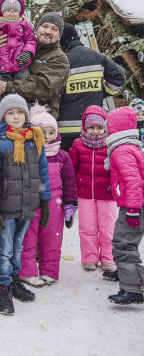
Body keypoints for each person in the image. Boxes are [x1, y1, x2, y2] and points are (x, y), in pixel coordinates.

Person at [0, 94, 50, 315]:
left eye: (19, 112)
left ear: (26, 115)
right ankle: (3, 288)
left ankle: (14, 281)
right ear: (3, 116)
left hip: (27, 204)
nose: (15, 116)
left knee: (19, 247)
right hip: (7, 207)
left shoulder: (35, 139)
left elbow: (42, 173)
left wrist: (45, 201)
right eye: (10, 113)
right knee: (4, 250)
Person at [20, 104, 77, 287]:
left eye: (50, 132)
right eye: (41, 132)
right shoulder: (27, 153)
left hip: (55, 202)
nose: (46, 137)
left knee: (52, 237)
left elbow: (69, 183)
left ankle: (49, 271)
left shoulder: (62, 156)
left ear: (56, 133)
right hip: (31, 201)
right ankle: (27, 271)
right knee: (28, 237)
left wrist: (70, 204)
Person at [0, 12, 70, 119]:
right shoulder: (20, 47)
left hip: (40, 122)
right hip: (11, 118)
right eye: (45, 26)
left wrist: (8, 87)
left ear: (59, 37)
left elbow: (43, 88)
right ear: (37, 29)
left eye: (54, 29)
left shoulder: (58, 58)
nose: (48, 31)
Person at [58, 23, 125, 151]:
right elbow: (119, 76)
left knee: (70, 168)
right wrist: (102, 92)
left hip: (65, 130)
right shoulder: (97, 56)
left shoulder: (61, 60)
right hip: (93, 129)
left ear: (63, 42)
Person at [69, 106, 117, 272]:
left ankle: (108, 257)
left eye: (99, 127)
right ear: (84, 127)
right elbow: (72, 168)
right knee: (87, 227)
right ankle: (89, 256)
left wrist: (115, 185)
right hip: (85, 193)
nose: (95, 131)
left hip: (107, 193)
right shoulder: (77, 144)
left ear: (105, 127)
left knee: (107, 227)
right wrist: (71, 188)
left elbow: (116, 168)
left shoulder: (111, 145)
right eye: (91, 127)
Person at [105, 107, 144, 305]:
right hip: (134, 203)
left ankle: (132, 288)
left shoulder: (121, 150)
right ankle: (125, 273)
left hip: (134, 206)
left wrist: (132, 209)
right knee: (128, 241)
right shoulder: (131, 146)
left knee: (123, 244)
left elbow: (133, 181)